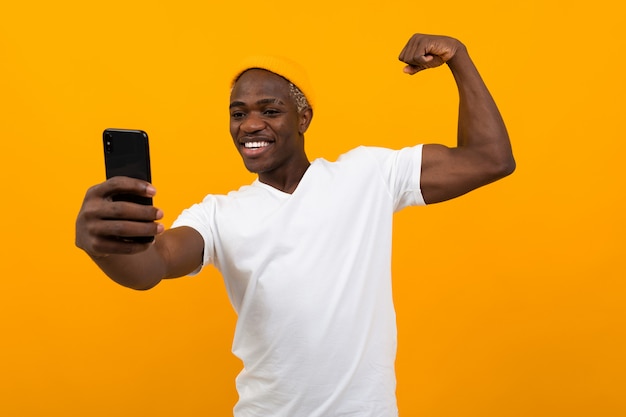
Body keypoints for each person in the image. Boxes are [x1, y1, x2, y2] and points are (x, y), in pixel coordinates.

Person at [76, 33, 515, 416]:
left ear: (302, 119)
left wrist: (459, 56)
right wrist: (104, 246)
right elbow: (155, 265)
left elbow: (489, 159)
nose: (250, 124)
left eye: (269, 111)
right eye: (238, 113)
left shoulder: (368, 175)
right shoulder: (218, 214)